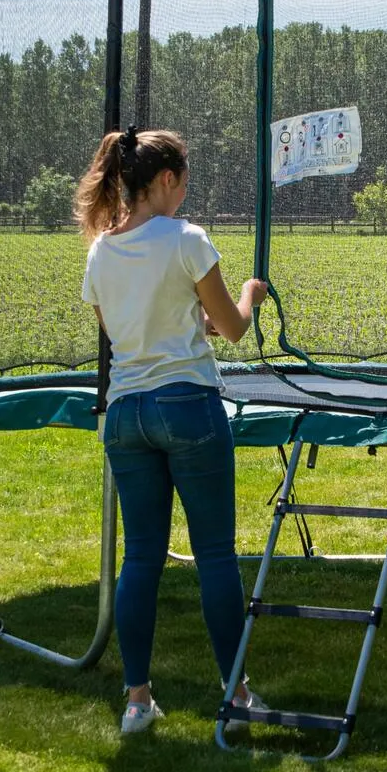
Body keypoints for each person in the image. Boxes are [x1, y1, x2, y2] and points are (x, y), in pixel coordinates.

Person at [75, 125, 268, 735]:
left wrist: (189, 321)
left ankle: (137, 701)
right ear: (165, 180)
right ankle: (235, 697)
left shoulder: (101, 249)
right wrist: (249, 294)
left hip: (126, 414)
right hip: (187, 406)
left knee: (141, 559)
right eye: (183, 182)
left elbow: (121, 330)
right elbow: (232, 328)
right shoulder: (188, 239)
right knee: (214, 554)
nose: (184, 194)